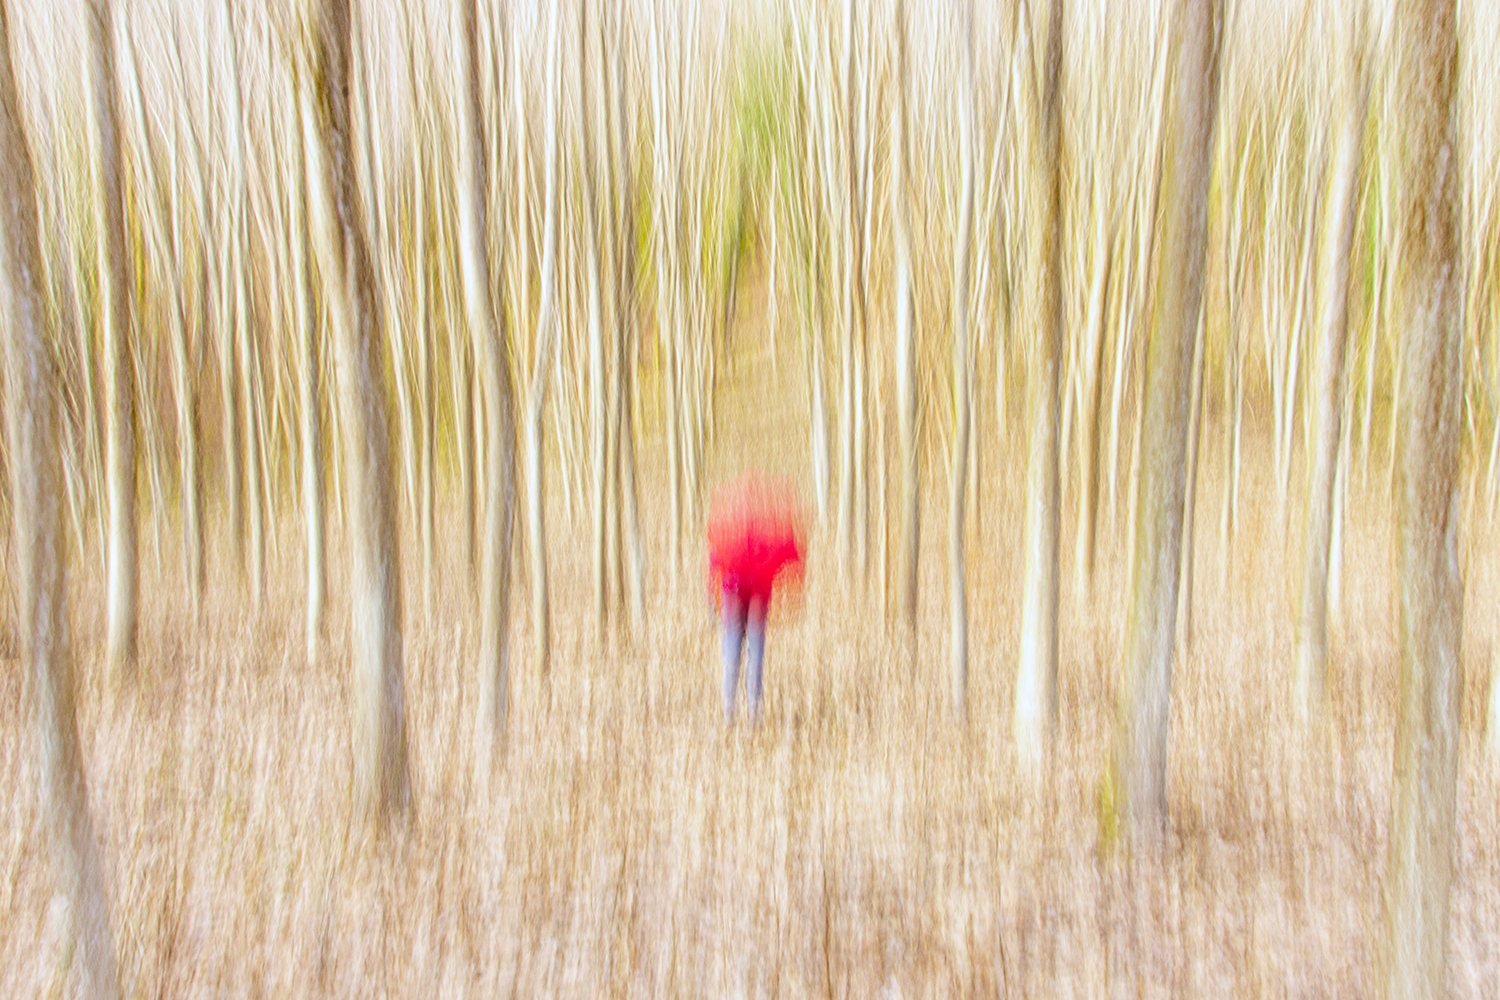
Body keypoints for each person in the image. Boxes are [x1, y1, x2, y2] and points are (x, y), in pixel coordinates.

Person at [706, 471, 805, 724]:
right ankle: (754, 714)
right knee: (756, 649)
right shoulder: (768, 527)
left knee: (731, 645)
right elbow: (786, 552)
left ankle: (729, 713)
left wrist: (710, 598)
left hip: (732, 588)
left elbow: (714, 557)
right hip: (759, 591)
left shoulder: (727, 526)